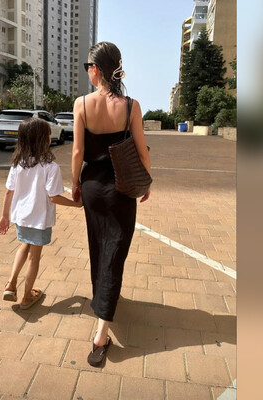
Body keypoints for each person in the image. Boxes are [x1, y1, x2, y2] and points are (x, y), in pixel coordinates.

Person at [71, 42, 152, 367]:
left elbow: (78, 153)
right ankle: (101, 333)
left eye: (87, 66)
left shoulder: (82, 104)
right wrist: (147, 181)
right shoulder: (131, 106)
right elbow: (142, 150)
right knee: (115, 251)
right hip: (122, 189)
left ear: (96, 68)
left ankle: (103, 298)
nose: (87, 72)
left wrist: (75, 184)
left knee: (99, 246)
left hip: (93, 186)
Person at [0, 118, 82, 309]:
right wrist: (77, 205)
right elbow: (54, 197)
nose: (50, 137)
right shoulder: (50, 167)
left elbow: (9, 192)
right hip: (40, 218)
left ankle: (11, 284)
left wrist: (4, 216)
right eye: (48, 134)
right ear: (43, 140)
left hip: (21, 216)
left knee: (23, 246)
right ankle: (27, 297)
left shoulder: (18, 164)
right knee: (34, 257)